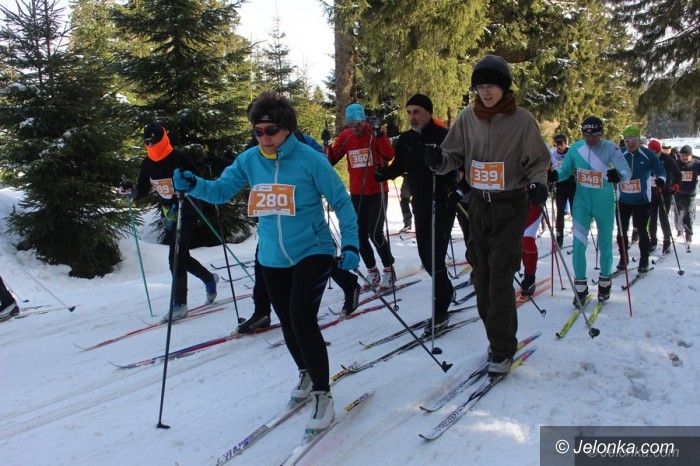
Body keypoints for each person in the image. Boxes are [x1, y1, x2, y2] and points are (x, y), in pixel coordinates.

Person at [172, 91, 359, 432]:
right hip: (272, 256)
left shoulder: (310, 160)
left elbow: (342, 202)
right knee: (287, 320)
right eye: (258, 131)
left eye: (271, 130)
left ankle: (323, 395)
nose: (264, 138)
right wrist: (194, 184)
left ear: (287, 128)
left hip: (312, 249)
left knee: (302, 317)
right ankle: (305, 374)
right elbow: (219, 191)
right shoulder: (249, 161)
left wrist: (351, 244)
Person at [427, 55, 550, 374]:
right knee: (481, 278)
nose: (485, 92)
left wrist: (539, 183)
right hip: (478, 205)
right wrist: (438, 161)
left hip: (510, 204)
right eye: (480, 86)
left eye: (491, 85)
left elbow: (539, 161)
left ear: (504, 86)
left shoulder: (522, 120)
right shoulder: (468, 118)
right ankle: (496, 339)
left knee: (499, 278)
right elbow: (451, 155)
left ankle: (502, 348)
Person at [236, 130, 361, 334]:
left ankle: (349, 284)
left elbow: (321, 161)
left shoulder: (299, 141)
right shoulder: (257, 143)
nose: (264, 134)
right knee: (263, 262)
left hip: (305, 225)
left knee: (319, 260)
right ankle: (262, 311)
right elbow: (239, 167)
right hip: (273, 222)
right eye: (258, 129)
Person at [374, 93, 457, 334]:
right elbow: (399, 166)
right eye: (409, 112)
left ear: (428, 113)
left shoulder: (444, 136)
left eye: (417, 112)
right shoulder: (406, 139)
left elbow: (458, 165)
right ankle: (446, 289)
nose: (412, 117)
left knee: (435, 257)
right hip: (420, 204)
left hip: (442, 204)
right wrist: (384, 174)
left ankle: (441, 308)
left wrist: (455, 187)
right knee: (425, 257)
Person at [120, 122, 219, 323]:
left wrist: (188, 186)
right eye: (147, 142)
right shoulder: (148, 163)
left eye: (154, 141)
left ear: (163, 139)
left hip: (188, 208)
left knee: (176, 256)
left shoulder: (179, 158)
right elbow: (142, 190)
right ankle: (209, 278)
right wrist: (130, 191)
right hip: (171, 214)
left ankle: (179, 304)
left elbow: (198, 181)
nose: (151, 145)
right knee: (181, 256)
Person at [548, 116, 631, 304]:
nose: (591, 139)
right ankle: (580, 287)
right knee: (578, 244)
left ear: (601, 133)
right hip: (582, 203)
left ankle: (604, 283)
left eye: (595, 136)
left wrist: (619, 175)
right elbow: (565, 171)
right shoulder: (576, 148)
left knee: (604, 244)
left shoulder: (610, 147)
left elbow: (626, 171)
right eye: (587, 135)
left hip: (604, 203)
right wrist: (554, 176)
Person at [329, 103, 396, 289]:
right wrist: (326, 146)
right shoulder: (346, 136)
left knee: (375, 232)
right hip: (357, 193)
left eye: (357, 124)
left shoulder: (374, 133)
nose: (354, 128)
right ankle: (372, 270)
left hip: (377, 191)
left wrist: (380, 133)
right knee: (359, 235)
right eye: (350, 124)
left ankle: (389, 269)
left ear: (364, 120)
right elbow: (330, 160)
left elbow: (389, 155)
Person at [616, 126, 666, 273]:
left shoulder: (648, 155)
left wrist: (661, 180)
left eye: (634, 140)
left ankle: (644, 260)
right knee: (621, 231)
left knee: (642, 231)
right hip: (622, 200)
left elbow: (661, 172)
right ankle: (623, 257)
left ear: (639, 140)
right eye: (627, 140)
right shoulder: (619, 154)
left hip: (642, 200)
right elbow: (608, 169)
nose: (630, 143)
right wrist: (611, 175)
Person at [648, 140, 681, 254]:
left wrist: (676, 185)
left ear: (660, 151)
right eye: (652, 153)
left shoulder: (667, 159)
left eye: (656, 152)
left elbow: (678, 174)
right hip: (651, 192)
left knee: (663, 218)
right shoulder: (646, 158)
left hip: (664, 192)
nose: (654, 155)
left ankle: (667, 242)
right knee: (651, 218)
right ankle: (653, 241)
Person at [550, 134, 576, 247]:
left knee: (575, 211)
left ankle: (578, 237)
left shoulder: (571, 152)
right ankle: (559, 238)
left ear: (566, 143)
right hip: (560, 185)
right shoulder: (553, 153)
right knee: (560, 212)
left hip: (572, 184)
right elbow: (549, 166)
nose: (559, 146)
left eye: (561, 144)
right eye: (557, 144)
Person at [675, 145, 700, 251]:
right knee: (678, 213)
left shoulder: (696, 164)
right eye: (682, 155)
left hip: (690, 194)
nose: (684, 158)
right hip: (678, 193)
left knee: (688, 214)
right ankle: (678, 229)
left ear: (691, 155)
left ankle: (688, 235)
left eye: (687, 156)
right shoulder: (676, 163)